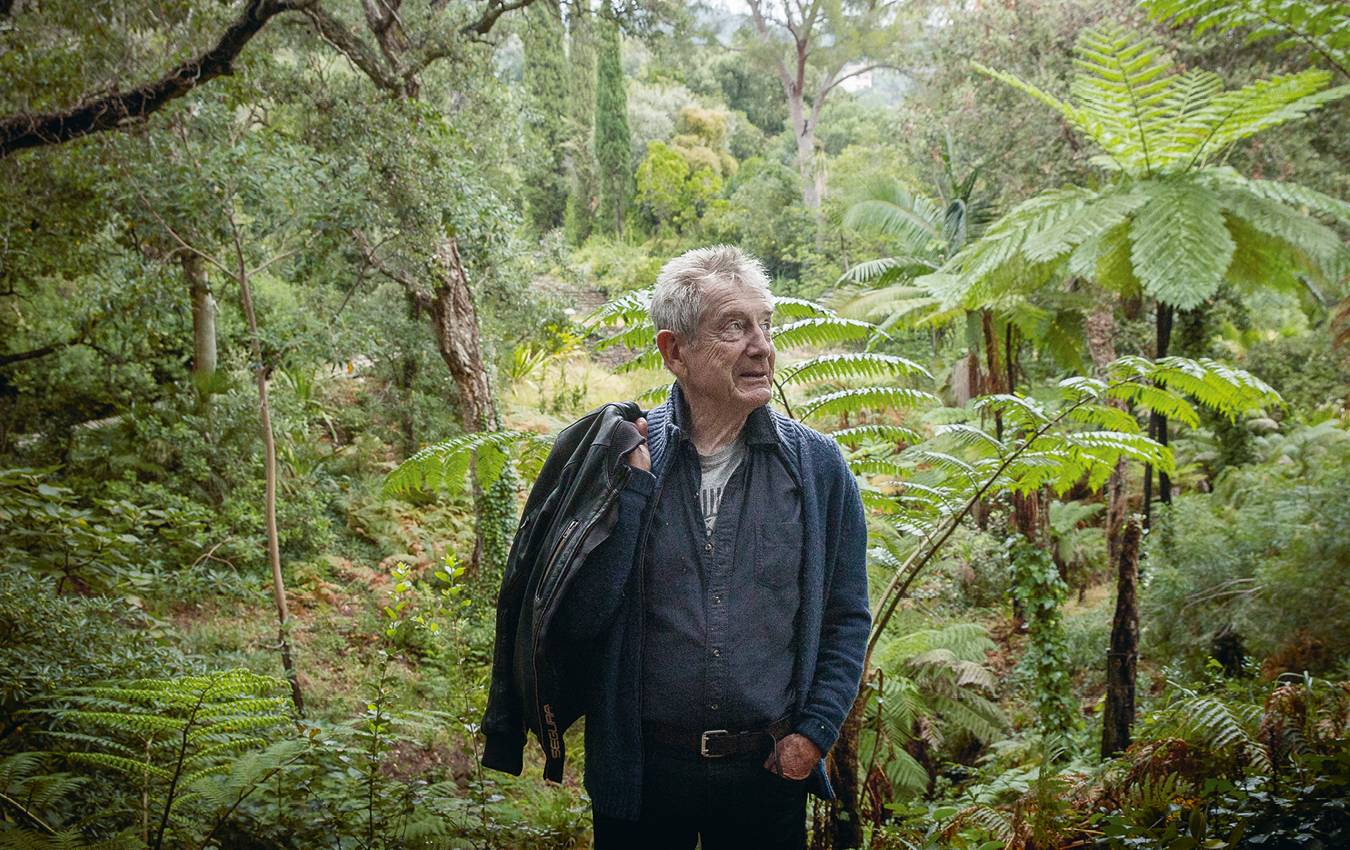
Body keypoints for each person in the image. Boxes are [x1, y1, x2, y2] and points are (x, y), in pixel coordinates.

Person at [484, 245, 870, 850]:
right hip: (642, 779)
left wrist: (812, 738)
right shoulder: (620, 461)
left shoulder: (818, 469)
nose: (761, 345)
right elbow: (580, 619)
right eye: (733, 327)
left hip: (766, 779)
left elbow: (847, 618)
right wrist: (631, 493)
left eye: (765, 324)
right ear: (674, 351)